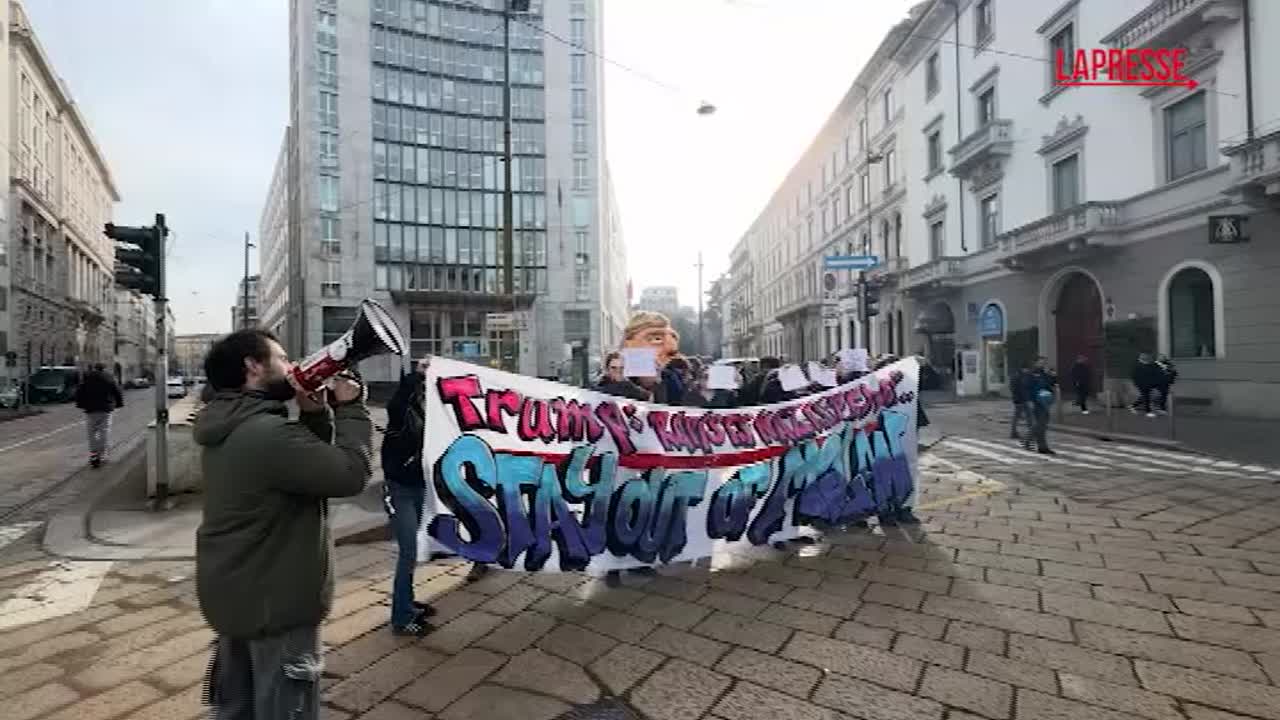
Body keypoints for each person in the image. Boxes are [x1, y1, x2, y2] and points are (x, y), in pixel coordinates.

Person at [195, 328, 372, 719]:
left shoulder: (229, 423)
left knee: (237, 708)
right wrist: (352, 408)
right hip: (275, 603)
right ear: (253, 367)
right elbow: (349, 474)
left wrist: (313, 414)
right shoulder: (268, 434)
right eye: (282, 358)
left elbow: (302, 472)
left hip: (237, 594)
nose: (292, 366)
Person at [381, 358, 437, 636]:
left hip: (417, 485)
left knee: (413, 548)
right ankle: (401, 617)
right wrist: (415, 377)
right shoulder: (402, 410)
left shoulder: (425, 411)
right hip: (399, 489)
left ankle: (407, 601)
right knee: (408, 551)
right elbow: (398, 402)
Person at [74, 362, 125, 468]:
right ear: (104, 368)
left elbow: (79, 391)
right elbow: (117, 391)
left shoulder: (87, 377)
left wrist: (80, 404)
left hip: (90, 409)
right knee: (104, 431)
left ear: (94, 368)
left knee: (92, 433)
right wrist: (119, 404)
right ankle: (102, 454)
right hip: (106, 409)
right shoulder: (109, 377)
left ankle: (93, 454)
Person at [1021, 356, 1057, 455]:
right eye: (1041, 362)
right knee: (1040, 424)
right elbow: (1026, 388)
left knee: (1042, 425)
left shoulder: (1044, 374)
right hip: (1036, 401)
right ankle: (1037, 444)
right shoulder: (1031, 374)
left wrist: (1053, 377)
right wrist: (1029, 401)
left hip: (1044, 401)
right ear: (1035, 363)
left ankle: (1036, 444)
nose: (1043, 364)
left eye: (1044, 362)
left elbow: (1050, 384)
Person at [1131, 353, 1161, 418]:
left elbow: (1153, 374)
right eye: (1145, 357)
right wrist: (1138, 384)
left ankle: (1133, 406)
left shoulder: (1149, 365)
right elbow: (1135, 376)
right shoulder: (1138, 366)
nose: (1147, 359)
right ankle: (1148, 412)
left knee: (1145, 396)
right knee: (1146, 396)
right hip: (1142, 384)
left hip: (1149, 384)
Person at [1009, 365, 1030, 440]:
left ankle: (1013, 432)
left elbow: (1012, 388)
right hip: (1021, 400)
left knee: (1017, 417)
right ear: (1023, 369)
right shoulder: (1020, 377)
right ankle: (1031, 433)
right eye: (1027, 369)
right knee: (1028, 416)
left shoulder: (1017, 376)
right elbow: (1020, 389)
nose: (1027, 371)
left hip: (1019, 399)